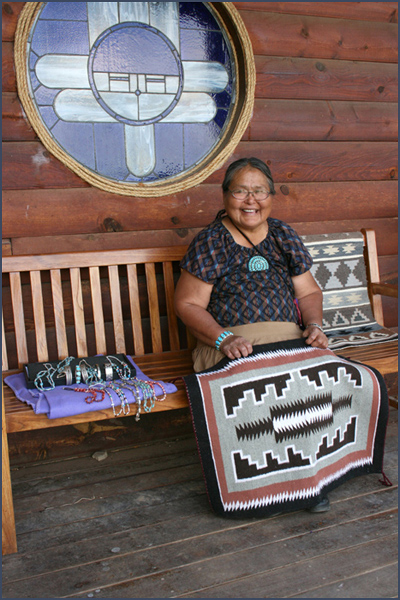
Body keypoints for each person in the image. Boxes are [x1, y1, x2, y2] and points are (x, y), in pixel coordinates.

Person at [175, 157, 331, 513]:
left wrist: (315, 326)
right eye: (241, 191)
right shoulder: (212, 241)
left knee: (322, 371)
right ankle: (264, 487)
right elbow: (187, 304)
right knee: (263, 381)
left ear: (271, 195)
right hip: (229, 344)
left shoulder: (282, 235)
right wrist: (224, 338)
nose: (250, 200)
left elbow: (307, 292)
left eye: (259, 191)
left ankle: (310, 480)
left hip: (289, 338)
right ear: (225, 196)